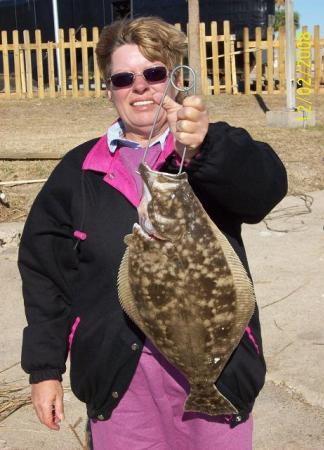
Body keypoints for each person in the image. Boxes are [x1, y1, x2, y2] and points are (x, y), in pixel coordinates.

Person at [19, 16, 287, 450]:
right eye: (124, 78)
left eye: (154, 73)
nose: (140, 86)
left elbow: (265, 190)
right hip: (121, 386)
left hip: (215, 372)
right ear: (109, 89)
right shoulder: (77, 172)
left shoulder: (204, 149)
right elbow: (46, 275)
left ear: (174, 80)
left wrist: (205, 146)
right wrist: (45, 369)